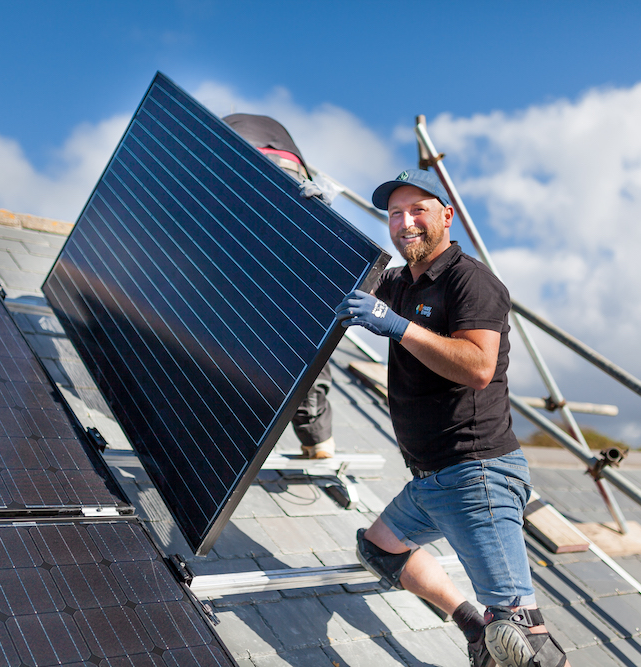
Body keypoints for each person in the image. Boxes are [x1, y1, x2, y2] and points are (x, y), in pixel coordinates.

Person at [336, 169, 569, 667]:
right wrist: (312, 211)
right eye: (395, 214)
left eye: (418, 210)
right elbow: (336, 271)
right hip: (429, 482)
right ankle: (473, 627)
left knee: (525, 639)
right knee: (380, 550)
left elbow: (479, 367)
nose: (405, 222)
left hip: (475, 474)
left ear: (447, 215)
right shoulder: (400, 281)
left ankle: (498, 633)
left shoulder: (471, 281)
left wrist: (397, 326)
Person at [224, 113, 337, 459]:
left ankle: (315, 436)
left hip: (240, 163)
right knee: (298, 309)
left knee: (253, 296)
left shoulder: (223, 134)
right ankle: (316, 436)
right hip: (286, 170)